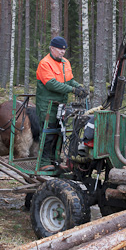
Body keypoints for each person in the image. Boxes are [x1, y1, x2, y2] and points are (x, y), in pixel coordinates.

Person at [36, 36, 88, 165]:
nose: (62, 52)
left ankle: (55, 159)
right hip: (47, 105)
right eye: (60, 49)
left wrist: (78, 87)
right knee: (48, 133)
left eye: (64, 50)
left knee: (59, 133)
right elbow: (51, 84)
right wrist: (72, 90)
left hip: (61, 105)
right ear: (52, 48)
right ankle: (43, 162)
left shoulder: (65, 62)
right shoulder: (45, 63)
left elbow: (69, 79)